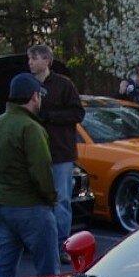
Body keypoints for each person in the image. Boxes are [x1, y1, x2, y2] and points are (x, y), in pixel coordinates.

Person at [0, 73, 58, 277]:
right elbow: (41, 170)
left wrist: (0, 188)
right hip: (30, 206)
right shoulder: (31, 128)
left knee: (4, 265)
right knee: (48, 272)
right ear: (35, 96)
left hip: (1, 203)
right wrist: (50, 198)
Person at [27, 44, 85, 259]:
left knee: (61, 200)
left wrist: (49, 115)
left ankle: (62, 245)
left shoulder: (63, 85)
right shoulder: (27, 85)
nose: (31, 62)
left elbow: (77, 113)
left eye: (34, 58)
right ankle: (39, 242)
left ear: (47, 61)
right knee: (37, 198)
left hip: (60, 152)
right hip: (35, 152)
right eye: (29, 58)